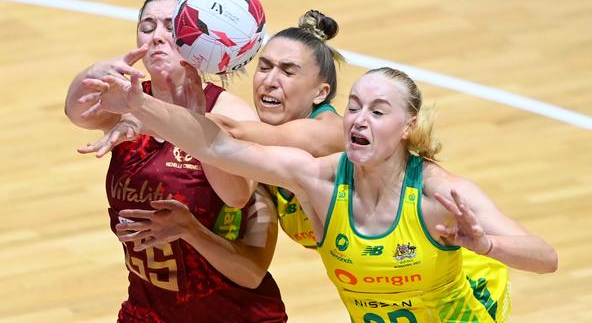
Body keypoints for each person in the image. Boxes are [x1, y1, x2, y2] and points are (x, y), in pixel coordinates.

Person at [84, 65, 558, 322]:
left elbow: (545, 257)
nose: (359, 119)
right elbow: (217, 144)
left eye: (378, 110)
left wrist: (488, 245)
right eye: (354, 108)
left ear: (408, 126)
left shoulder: (441, 194)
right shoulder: (317, 180)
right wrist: (140, 104)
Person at [65, 0, 287, 322]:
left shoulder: (229, 111)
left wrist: (197, 127)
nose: (156, 37)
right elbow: (77, 112)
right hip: (147, 310)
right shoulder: (129, 102)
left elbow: (237, 195)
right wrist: (96, 71)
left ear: (196, 39)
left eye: (170, 26)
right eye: (147, 25)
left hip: (230, 311)